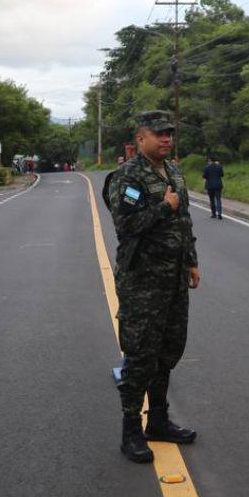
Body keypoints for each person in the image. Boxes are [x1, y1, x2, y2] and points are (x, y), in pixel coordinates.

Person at [104, 111, 199, 463]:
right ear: (140, 139)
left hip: (173, 278)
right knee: (141, 355)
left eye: (170, 134)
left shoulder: (173, 170)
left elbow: (184, 219)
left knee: (168, 350)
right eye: (160, 134)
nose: (167, 140)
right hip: (142, 280)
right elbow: (126, 225)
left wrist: (191, 260)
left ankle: (158, 420)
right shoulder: (127, 176)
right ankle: (131, 430)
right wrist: (163, 206)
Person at [202, 154, 224, 220]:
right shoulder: (219, 166)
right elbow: (222, 174)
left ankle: (213, 214)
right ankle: (219, 214)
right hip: (218, 184)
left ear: (209, 160)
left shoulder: (207, 167)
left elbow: (204, 176)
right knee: (218, 199)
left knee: (212, 200)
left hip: (210, 185)